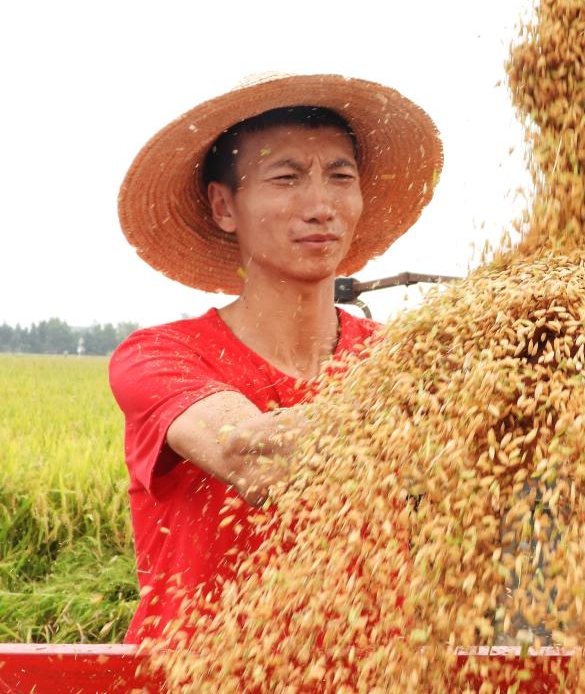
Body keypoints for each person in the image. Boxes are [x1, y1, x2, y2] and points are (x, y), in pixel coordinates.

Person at [108, 73, 443, 644]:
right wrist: (415, 398)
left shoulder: (403, 357)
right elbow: (254, 456)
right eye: (286, 178)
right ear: (224, 206)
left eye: (341, 176)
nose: (320, 206)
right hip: (200, 679)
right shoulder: (160, 356)